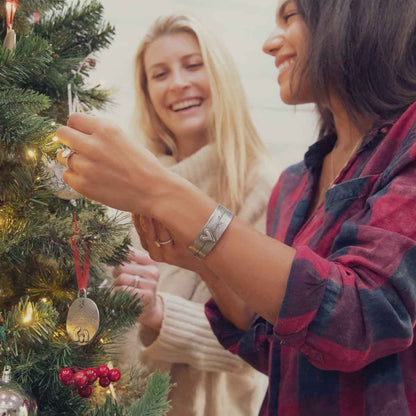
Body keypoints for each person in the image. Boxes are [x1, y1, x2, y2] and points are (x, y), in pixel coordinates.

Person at [57, 0, 416, 414]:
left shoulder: (403, 147)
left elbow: (360, 317)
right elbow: (273, 344)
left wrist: (162, 193)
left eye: (289, 16)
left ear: (349, 16)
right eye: (159, 74)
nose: (269, 43)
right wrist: (205, 260)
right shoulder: (296, 184)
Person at [108, 14, 273, 416]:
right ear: (147, 93)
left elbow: (261, 341)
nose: (178, 82)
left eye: (193, 65)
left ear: (220, 74)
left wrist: (158, 313)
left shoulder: (262, 187)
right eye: (159, 74)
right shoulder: (130, 192)